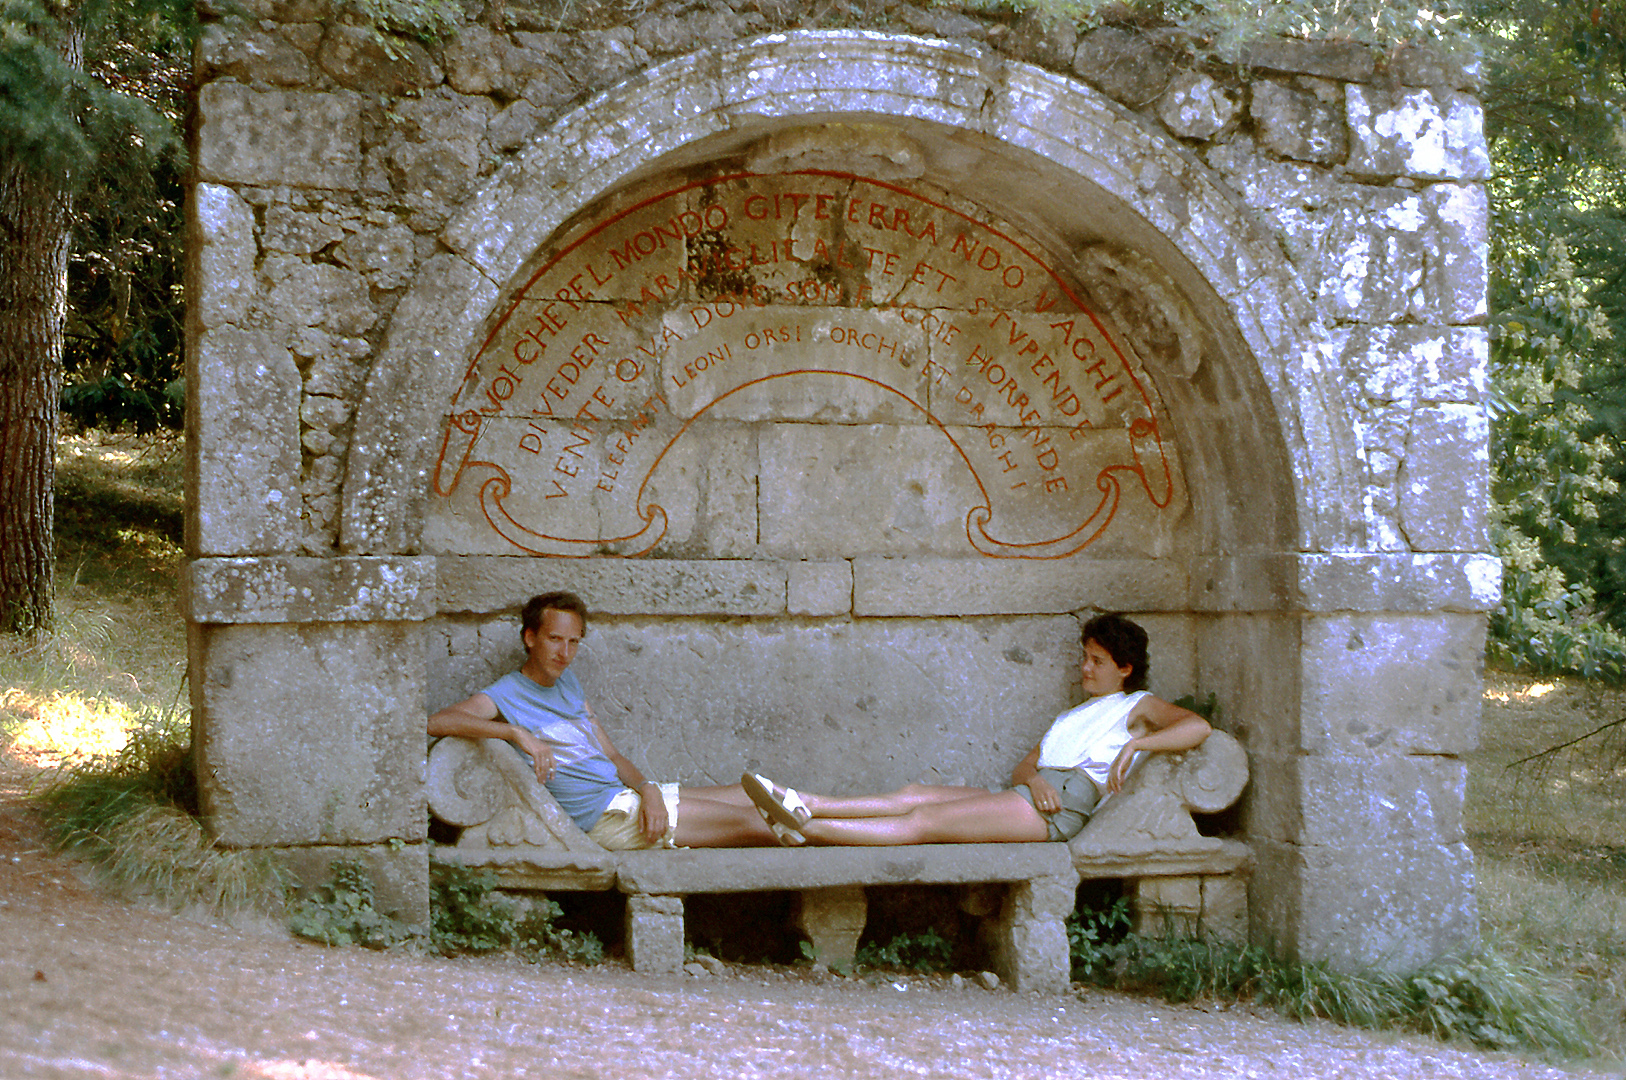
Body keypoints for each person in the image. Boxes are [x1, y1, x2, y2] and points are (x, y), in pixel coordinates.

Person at [741, 613, 1212, 846]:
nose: (1084, 668)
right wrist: (1034, 778)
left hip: (1063, 808)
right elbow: (1026, 763)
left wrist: (1138, 746)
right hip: (1039, 792)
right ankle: (805, 803)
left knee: (925, 823)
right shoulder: (1072, 716)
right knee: (916, 793)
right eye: (1084, 657)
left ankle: (811, 830)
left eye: (1097, 661)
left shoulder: (1135, 707)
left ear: (1125, 668)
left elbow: (1196, 727)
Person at [427, 591, 783, 849]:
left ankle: (842, 820)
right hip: (606, 816)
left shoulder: (568, 684)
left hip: (624, 796)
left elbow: (612, 757)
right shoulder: (506, 694)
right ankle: (841, 839)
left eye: (573, 642)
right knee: (757, 820)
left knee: (757, 792)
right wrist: (514, 732)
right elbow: (438, 722)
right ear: (530, 638)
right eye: (554, 639)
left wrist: (648, 790)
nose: (564, 653)